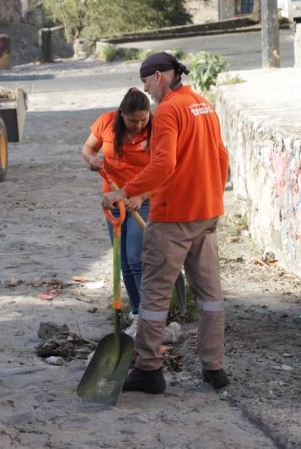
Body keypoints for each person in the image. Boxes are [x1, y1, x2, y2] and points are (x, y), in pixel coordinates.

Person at [103, 52, 229, 394]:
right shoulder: (203, 104)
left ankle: (148, 368)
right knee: (211, 295)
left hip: (173, 216)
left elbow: (163, 164)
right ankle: (214, 367)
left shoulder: (169, 110)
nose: (146, 90)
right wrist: (212, 196)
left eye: (146, 82)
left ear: (158, 76)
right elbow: (221, 156)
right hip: (206, 214)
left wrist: (125, 191)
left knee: (155, 296)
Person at [81, 87, 152, 337]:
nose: (139, 125)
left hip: (143, 200)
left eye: (143, 120)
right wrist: (92, 160)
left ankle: (148, 315)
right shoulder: (106, 122)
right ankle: (136, 311)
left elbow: (166, 171)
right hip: (113, 202)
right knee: (122, 260)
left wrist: (140, 196)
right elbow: (87, 148)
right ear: (122, 114)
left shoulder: (157, 130)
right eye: (133, 121)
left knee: (136, 258)